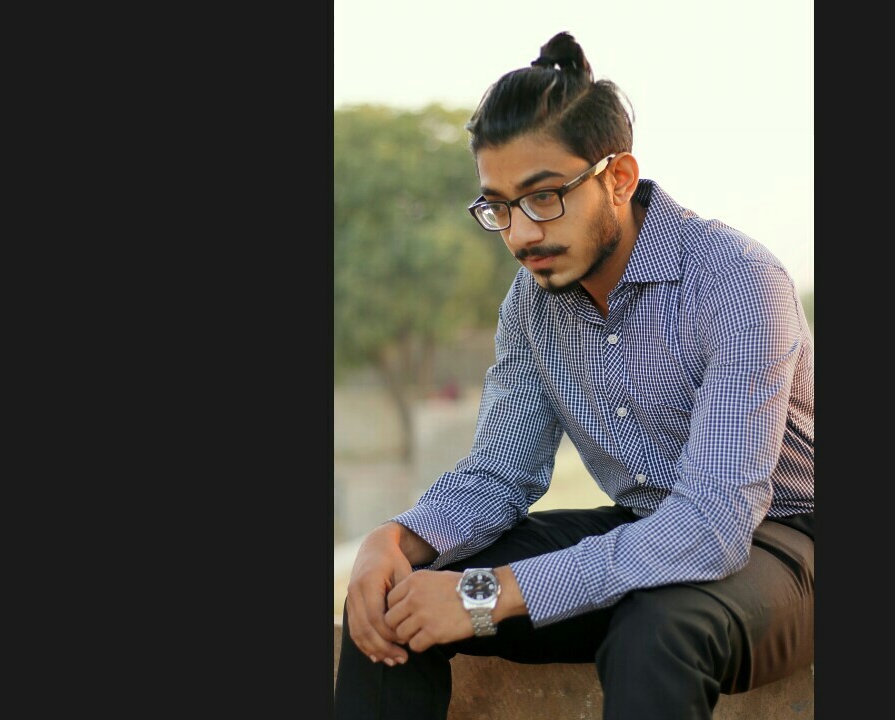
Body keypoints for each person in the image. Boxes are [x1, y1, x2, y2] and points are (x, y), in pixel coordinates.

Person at [334, 30, 814, 720]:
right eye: (499, 207)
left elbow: (714, 521)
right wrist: (395, 539)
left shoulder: (737, 281)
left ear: (618, 179)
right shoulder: (532, 304)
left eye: (543, 197)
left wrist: (488, 595)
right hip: (645, 523)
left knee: (657, 632)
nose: (521, 234)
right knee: (401, 592)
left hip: (785, 539)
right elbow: (499, 475)